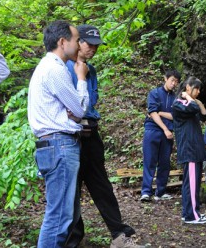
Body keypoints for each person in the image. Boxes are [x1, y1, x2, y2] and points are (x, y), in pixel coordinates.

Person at [64, 24, 142, 248]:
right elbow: (72, 106)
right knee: (72, 189)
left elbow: (91, 100)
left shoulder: (92, 70)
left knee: (102, 185)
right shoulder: (64, 68)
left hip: (92, 133)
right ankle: (74, 239)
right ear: (77, 42)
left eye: (96, 46)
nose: (93, 49)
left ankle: (119, 234)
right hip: (72, 136)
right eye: (89, 44)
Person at [27, 20, 89, 247]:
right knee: (59, 217)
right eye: (76, 40)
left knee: (61, 214)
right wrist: (81, 78)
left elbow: (73, 111)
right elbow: (80, 108)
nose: (80, 44)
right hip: (60, 145)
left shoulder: (45, 67)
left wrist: (72, 111)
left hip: (53, 146)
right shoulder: (55, 69)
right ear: (63, 42)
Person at [172, 76, 206, 224]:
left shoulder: (190, 102)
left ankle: (189, 212)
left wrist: (197, 101)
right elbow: (193, 108)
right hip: (189, 150)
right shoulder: (179, 103)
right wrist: (189, 97)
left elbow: (204, 116)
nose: (198, 91)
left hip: (195, 149)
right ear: (188, 87)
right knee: (191, 184)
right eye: (197, 88)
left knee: (193, 183)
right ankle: (192, 216)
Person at [141, 70, 180, 202]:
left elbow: (175, 116)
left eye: (176, 82)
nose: (173, 83)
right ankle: (146, 192)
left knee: (164, 162)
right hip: (153, 129)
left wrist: (160, 113)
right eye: (172, 80)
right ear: (166, 78)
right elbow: (152, 112)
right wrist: (164, 128)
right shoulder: (155, 93)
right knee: (149, 161)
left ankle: (160, 192)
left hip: (168, 132)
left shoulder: (176, 98)